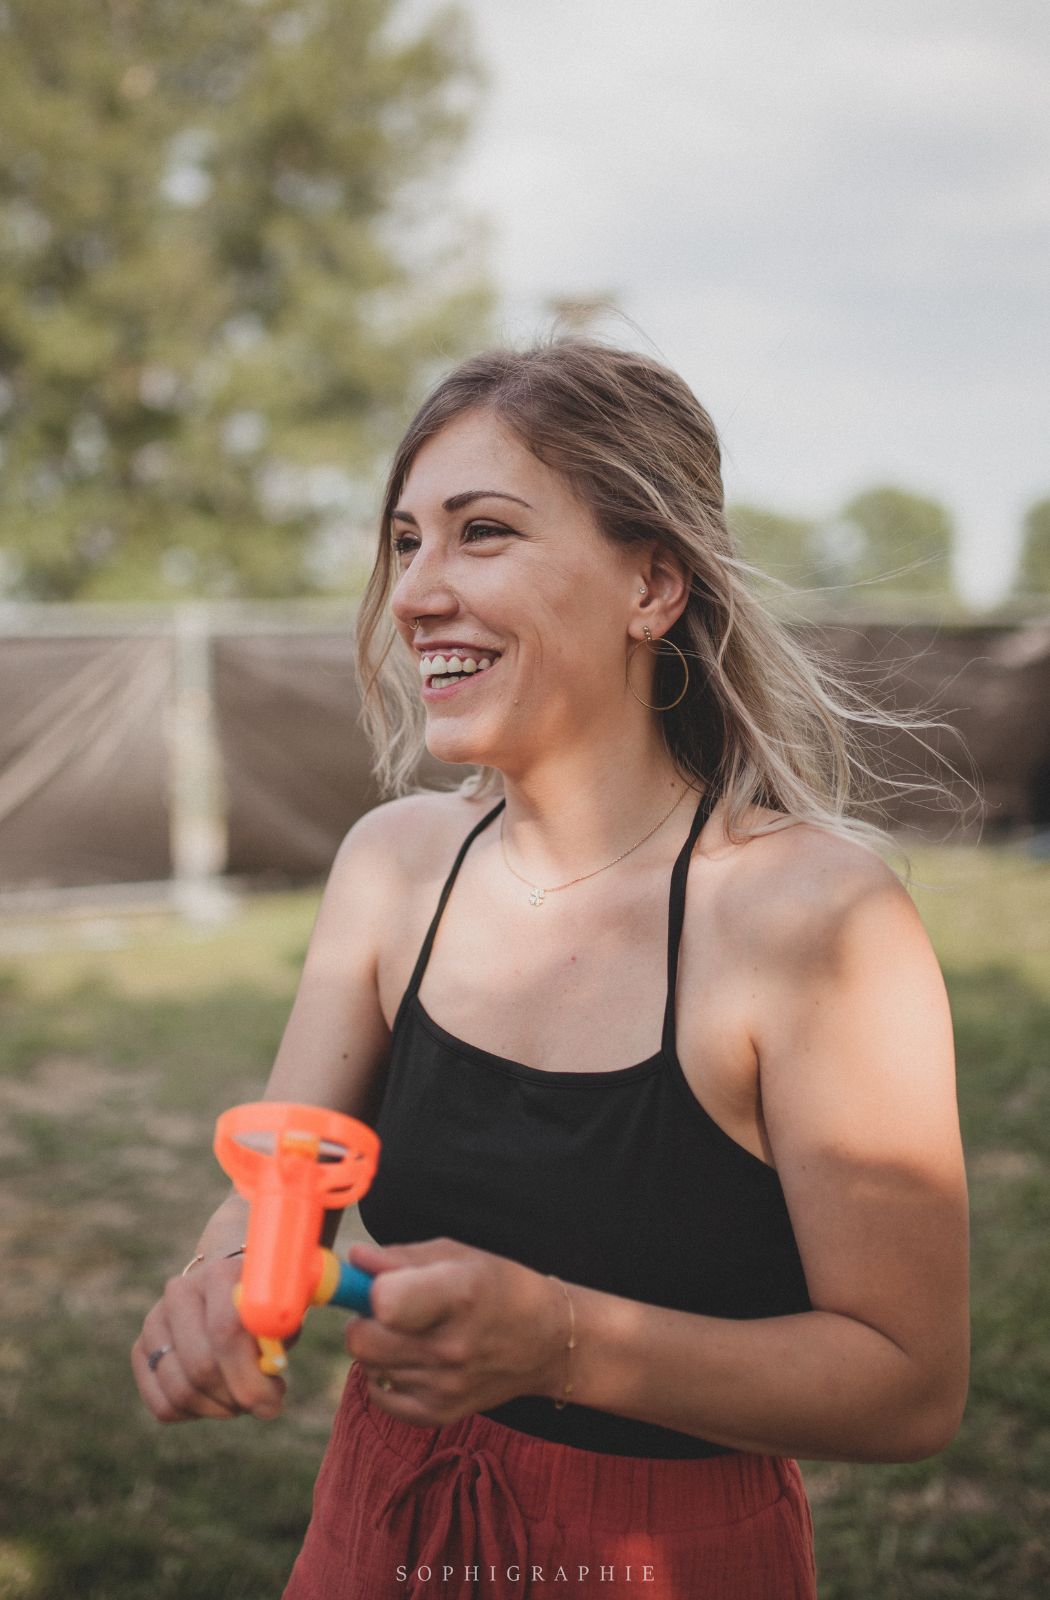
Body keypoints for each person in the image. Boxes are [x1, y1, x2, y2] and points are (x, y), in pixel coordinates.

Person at [132, 336, 972, 1599]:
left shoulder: (820, 921)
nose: (415, 590)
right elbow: (277, 1182)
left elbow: (910, 1385)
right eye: (406, 540)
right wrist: (210, 1282)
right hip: (373, 1535)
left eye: (483, 532)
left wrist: (563, 1344)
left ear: (653, 586)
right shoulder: (392, 866)